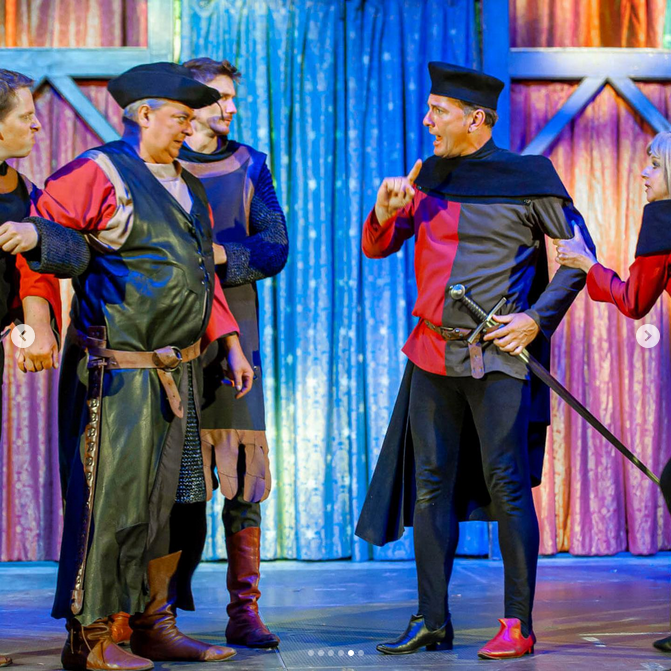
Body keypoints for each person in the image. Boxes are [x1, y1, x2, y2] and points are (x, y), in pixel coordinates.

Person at [6, 62, 255, 671]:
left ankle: (153, 624)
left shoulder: (188, 185)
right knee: (110, 503)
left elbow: (200, 272)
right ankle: (91, 636)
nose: (190, 129)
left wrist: (227, 339)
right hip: (118, 372)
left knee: (174, 504)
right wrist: (38, 295)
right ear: (145, 115)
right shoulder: (98, 173)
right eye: (180, 118)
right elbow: (49, 243)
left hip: (179, 371)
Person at [355, 62, 593, 659]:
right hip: (431, 352)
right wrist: (384, 212)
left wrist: (536, 319)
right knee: (430, 487)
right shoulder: (429, 176)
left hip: (498, 358)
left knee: (507, 485)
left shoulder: (530, 177)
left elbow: (579, 257)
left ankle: (518, 624)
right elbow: (380, 246)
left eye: (439, 111)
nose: (427, 120)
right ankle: (432, 620)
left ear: (476, 119)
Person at [177, 57, 288, 648]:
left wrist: (218, 256)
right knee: (170, 474)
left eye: (232, 96)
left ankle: (244, 610)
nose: (231, 107)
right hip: (168, 330)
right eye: (220, 96)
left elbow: (275, 246)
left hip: (236, 334)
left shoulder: (250, 165)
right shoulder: (157, 163)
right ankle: (153, 610)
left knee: (243, 478)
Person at [553, 130, 671, 653]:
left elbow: (634, 299)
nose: (644, 173)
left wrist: (586, 264)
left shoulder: (663, 218)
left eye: (654, 165)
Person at [0, 67, 66, 670]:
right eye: (26, 116)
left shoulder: (23, 190)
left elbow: (35, 263)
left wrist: (36, 324)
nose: (37, 124)